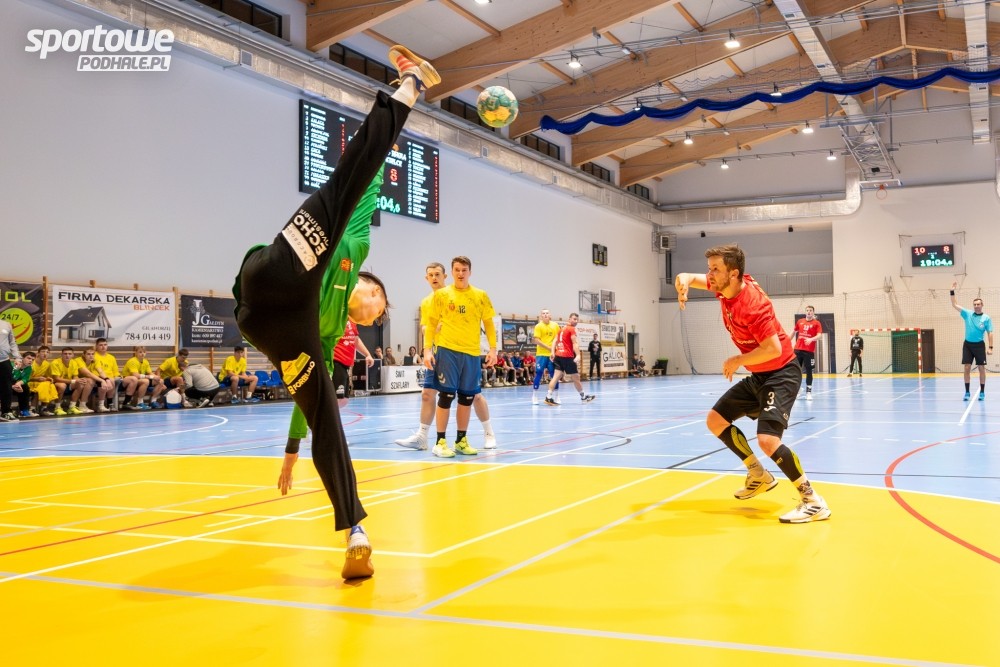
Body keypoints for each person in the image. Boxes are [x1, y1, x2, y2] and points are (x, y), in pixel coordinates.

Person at [234, 44, 440, 581]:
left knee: (329, 417)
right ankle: (410, 86)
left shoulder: (328, 331)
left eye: (375, 319)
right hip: (279, 270)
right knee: (345, 182)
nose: (372, 317)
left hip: (276, 326)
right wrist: (391, 133)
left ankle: (356, 532)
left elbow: (311, 398)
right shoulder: (353, 246)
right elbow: (364, 177)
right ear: (370, 286)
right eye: (378, 308)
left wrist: (291, 449)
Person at [674, 244, 831, 523]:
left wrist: (738, 360)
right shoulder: (724, 287)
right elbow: (688, 276)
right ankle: (758, 474)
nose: (709, 275)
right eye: (709, 268)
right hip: (760, 374)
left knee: (768, 441)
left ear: (733, 274)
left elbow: (772, 349)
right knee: (715, 420)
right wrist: (682, 283)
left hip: (781, 372)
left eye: (715, 269)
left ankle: (812, 501)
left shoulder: (753, 305)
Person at [395, 261, 497, 452]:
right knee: (430, 394)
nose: (434, 278)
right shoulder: (429, 301)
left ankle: (488, 432)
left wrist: (493, 348)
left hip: (468, 352)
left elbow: (487, 322)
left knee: (474, 396)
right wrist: (427, 346)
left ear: (445, 276)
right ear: (426, 278)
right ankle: (425, 437)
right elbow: (425, 327)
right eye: (430, 275)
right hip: (441, 352)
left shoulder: (469, 295)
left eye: (437, 274)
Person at [423, 256, 497, 458]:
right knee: (446, 396)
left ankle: (461, 441)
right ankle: (440, 442)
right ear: (452, 272)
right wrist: (427, 350)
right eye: (457, 270)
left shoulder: (480, 295)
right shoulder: (442, 295)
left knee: (467, 398)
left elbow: (489, 324)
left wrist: (493, 349)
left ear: (470, 272)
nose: (461, 273)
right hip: (447, 351)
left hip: (472, 353)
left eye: (464, 270)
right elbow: (431, 324)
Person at [951, 281, 994, 401]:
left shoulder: (986, 318)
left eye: (978, 304)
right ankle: (967, 392)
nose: (976, 306)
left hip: (979, 346)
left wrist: (990, 347)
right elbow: (954, 304)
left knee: (981, 368)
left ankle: (982, 392)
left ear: (982, 305)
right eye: (974, 304)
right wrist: (952, 291)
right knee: (966, 367)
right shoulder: (967, 314)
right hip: (968, 345)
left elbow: (990, 333)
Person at [543, 313, 595, 405]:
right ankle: (583, 397)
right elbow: (574, 343)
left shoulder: (561, 329)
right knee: (576, 378)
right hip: (567, 357)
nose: (576, 321)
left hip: (558, 356)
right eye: (574, 319)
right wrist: (578, 355)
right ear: (569, 319)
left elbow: (554, 341)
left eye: (577, 319)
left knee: (555, 377)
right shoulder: (571, 329)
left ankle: (548, 397)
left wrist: (552, 352)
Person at [332, 319, 374, 404]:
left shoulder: (352, 321)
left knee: (343, 400)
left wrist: (367, 354)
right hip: (336, 361)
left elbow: (355, 339)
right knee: (337, 399)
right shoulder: (334, 317)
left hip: (346, 364)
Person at [48, 347, 93, 415]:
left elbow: (75, 376)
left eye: (69, 354)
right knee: (62, 385)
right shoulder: (55, 363)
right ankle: (57, 407)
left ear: (73, 355)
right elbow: (56, 379)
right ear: (61, 355)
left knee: (80, 383)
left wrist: (79, 380)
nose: (67, 355)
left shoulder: (73, 362)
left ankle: (72, 407)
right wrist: (73, 381)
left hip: (68, 383)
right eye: (65, 354)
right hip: (55, 383)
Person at [791, 305, 822, 400]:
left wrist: (811, 339)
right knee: (795, 371)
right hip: (798, 350)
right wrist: (787, 341)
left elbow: (819, 335)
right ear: (805, 312)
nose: (809, 312)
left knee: (809, 371)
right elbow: (794, 332)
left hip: (809, 351)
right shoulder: (800, 321)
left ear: (813, 312)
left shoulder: (816, 323)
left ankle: (808, 393)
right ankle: (798, 390)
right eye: (807, 310)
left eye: (810, 310)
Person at [531, 309, 559, 405]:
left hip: (552, 354)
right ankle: (535, 396)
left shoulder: (555, 325)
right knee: (539, 373)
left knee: (554, 375)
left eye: (547, 313)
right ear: (541, 316)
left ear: (550, 315)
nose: (545, 314)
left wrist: (554, 349)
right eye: (543, 313)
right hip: (541, 354)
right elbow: (537, 340)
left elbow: (557, 338)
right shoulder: (538, 326)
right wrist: (549, 348)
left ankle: (556, 396)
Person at [0, 319, 22, 423]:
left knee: (7, 387)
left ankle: (6, 412)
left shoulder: (6, 324)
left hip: (4, 360)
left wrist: (17, 357)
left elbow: (12, 342)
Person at [29, 346, 61, 416]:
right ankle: (32, 409)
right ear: (38, 353)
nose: (45, 354)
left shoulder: (47, 364)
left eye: (47, 352)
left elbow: (47, 376)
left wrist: (49, 378)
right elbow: (25, 378)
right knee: (41, 387)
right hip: (29, 382)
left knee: (49, 384)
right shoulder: (31, 363)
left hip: (39, 382)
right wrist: (36, 379)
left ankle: (44, 408)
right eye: (43, 352)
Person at [81, 348, 116, 412]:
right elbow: (88, 374)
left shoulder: (95, 361)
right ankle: (82, 405)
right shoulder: (79, 360)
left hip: (90, 378)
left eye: (92, 354)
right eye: (88, 354)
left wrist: (106, 379)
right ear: (84, 355)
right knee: (92, 380)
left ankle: (101, 405)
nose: (91, 356)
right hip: (80, 379)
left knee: (103, 381)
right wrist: (102, 380)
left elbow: (100, 371)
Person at [11, 351, 36, 418]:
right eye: (28, 358)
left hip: (16, 385)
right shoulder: (13, 365)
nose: (30, 361)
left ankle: (24, 410)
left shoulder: (29, 368)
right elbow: (8, 378)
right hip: (6, 384)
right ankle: (7, 410)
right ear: (22, 358)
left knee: (25, 387)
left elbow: (25, 379)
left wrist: (18, 384)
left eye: (32, 359)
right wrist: (17, 369)